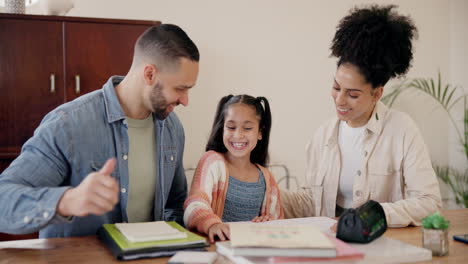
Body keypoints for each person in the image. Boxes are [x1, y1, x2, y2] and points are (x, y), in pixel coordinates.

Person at [0, 24, 199, 237]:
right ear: (149, 74)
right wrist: (67, 201)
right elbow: (4, 200)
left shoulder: (172, 127)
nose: (185, 101)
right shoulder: (67, 125)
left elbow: (175, 206)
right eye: (180, 89)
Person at [281, 5, 441, 227]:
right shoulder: (324, 135)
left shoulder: (402, 130)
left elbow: (429, 203)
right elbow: (311, 203)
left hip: (381, 245)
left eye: (353, 94)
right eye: (336, 87)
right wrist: (265, 192)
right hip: (332, 242)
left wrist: (370, 216)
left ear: (377, 93)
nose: (339, 100)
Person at [183, 95, 284, 243]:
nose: (238, 135)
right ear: (222, 128)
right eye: (231, 127)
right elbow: (194, 204)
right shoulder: (212, 162)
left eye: (248, 128)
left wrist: (268, 223)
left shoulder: (267, 178)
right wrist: (213, 224)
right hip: (216, 247)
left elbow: (278, 224)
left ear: (260, 132)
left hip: (250, 251)